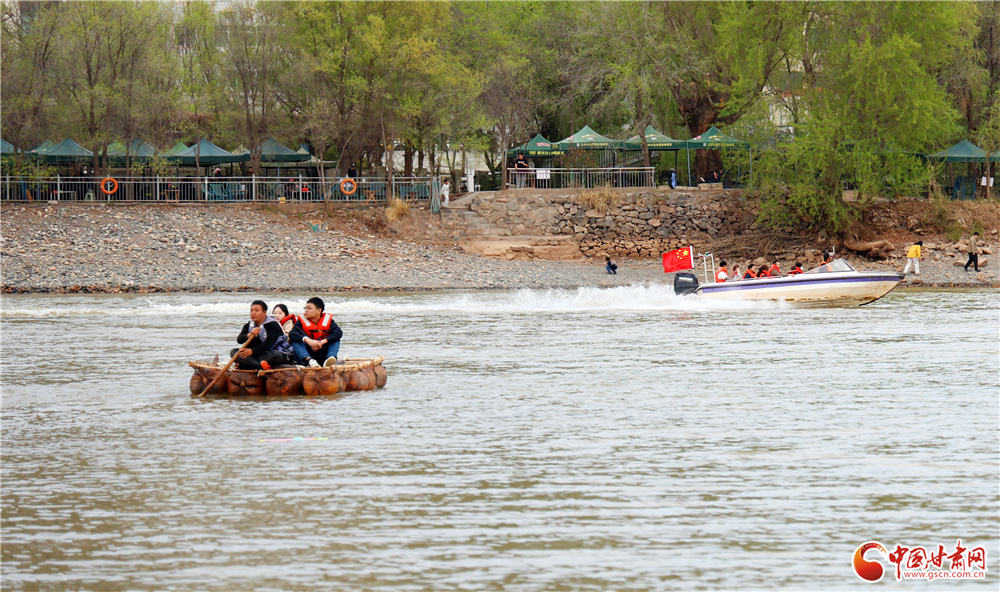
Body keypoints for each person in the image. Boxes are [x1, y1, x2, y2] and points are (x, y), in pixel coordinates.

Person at [232, 300, 294, 371]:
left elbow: (269, 343)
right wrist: (249, 335)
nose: (253, 313)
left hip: (277, 353)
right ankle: (259, 365)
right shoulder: (249, 325)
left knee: (276, 354)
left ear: (264, 312)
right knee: (234, 352)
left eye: (257, 310)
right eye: (251, 310)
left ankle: (246, 365)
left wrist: (252, 351)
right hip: (260, 354)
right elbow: (239, 340)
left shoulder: (272, 324)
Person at [289, 297, 343, 368]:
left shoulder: (328, 321)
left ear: (318, 311)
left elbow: (338, 332)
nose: (306, 310)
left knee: (335, 338)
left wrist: (323, 342)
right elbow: (292, 334)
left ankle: (330, 358)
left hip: (322, 352)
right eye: (305, 308)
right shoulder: (300, 322)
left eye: (309, 308)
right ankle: (310, 360)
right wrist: (308, 340)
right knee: (296, 340)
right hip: (307, 355)